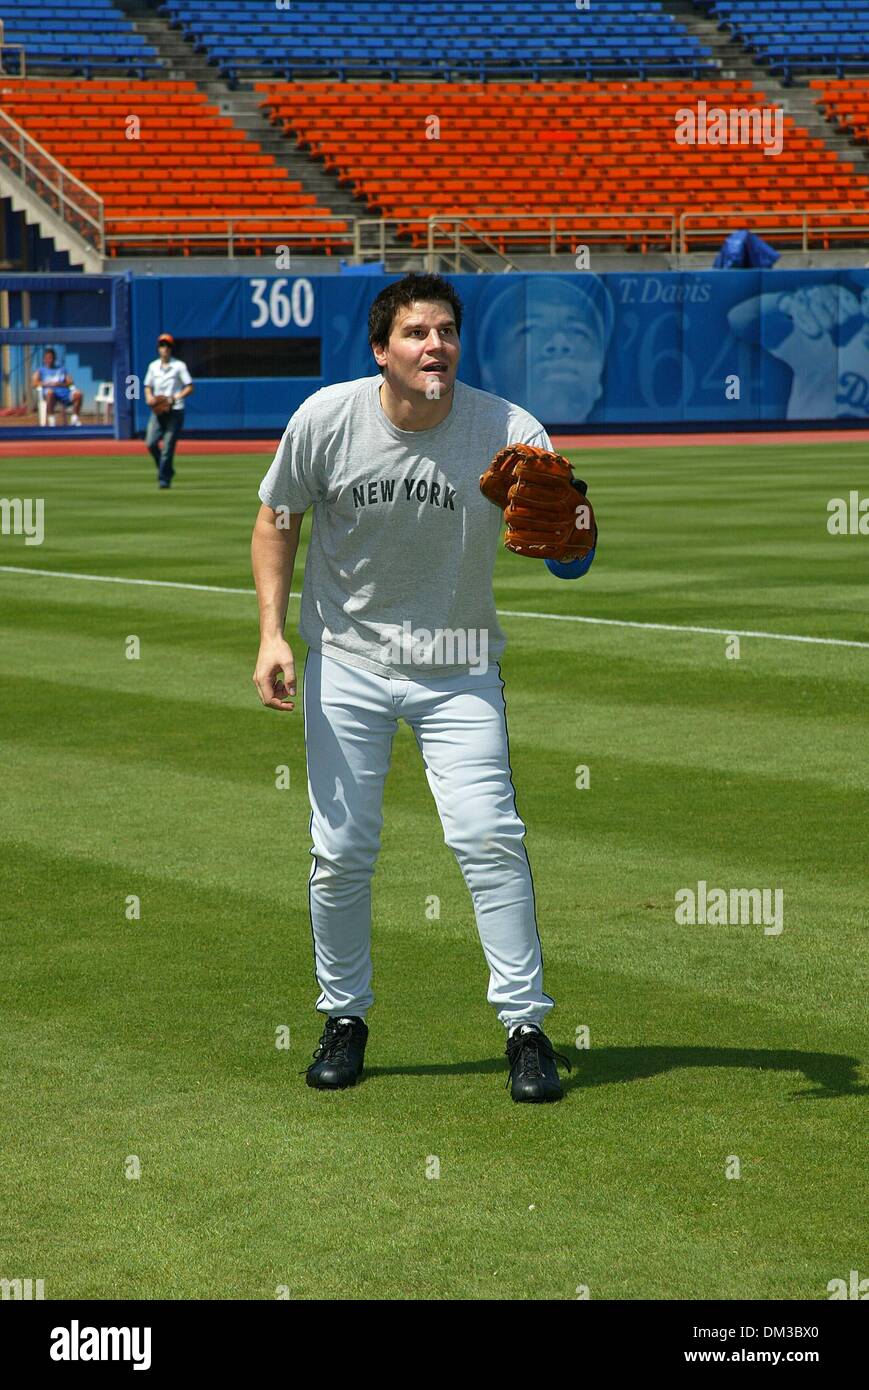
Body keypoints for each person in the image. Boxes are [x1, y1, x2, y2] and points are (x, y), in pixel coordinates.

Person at [251, 271, 583, 1104]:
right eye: (413, 333)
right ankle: (344, 1017)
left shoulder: (507, 429)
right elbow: (276, 518)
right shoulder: (326, 419)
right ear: (380, 349)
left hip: (460, 665)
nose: (432, 344)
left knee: (487, 837)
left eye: (443, 331)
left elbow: (571, 557)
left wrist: (572, 522)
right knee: (341, 851)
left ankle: (526, 1028)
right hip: (348, 664)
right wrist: (269, 633)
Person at [143, 333, 193, 489]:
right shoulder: (153, 366)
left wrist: (174, 397)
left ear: (171, 349)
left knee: (168, 446)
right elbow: (147, 386)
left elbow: (189, 386)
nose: (164, 348)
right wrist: (149, 397)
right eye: (162, 345)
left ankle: (164, 479)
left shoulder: (179, 366)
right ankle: (167, 470)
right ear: (158, 348)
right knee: (150, 443)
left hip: (175, 410)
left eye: (167, 345)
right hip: (158, 411)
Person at [32, 348, 83, 427]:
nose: (49, 360)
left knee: (79, 394)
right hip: (50, 394)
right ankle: (52, 421)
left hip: (64, 392)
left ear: (54, 359)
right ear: (44, 359)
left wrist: (60, 384)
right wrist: (48, 384)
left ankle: (74, 419)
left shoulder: (62, 369)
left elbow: (70, 382)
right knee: (50, 393)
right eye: (47, 358)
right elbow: (34, 383)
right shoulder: (40, 370)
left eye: (51, 358)